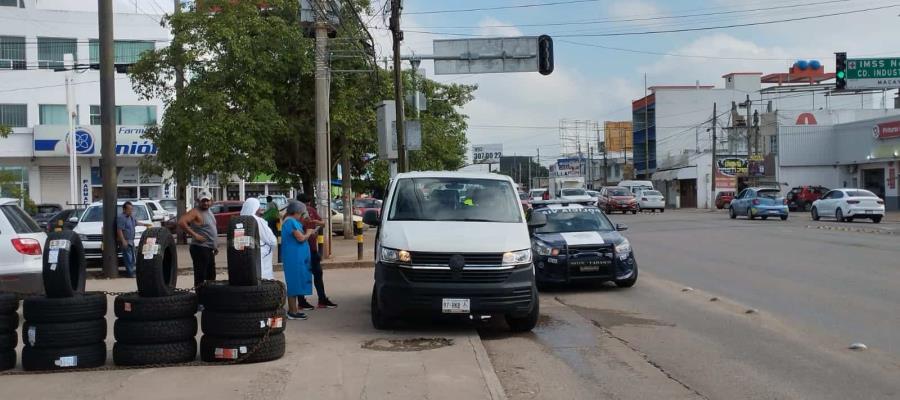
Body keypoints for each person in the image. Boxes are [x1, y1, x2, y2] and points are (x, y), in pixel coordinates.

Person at [298, 193, 337, 310]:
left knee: (318, 274)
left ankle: (322, 299)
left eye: (308, 203)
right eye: (305, 203)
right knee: (303, 275)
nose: (307, 205)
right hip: (301, 249)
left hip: (312, 248)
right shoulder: (295, 215)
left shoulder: (310, 211)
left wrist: (315, 222)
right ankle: (301, 301)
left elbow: (323, 223)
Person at [281, 200, 317, 320]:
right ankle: (292, 311)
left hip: (297, 257)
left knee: (296, 283)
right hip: (293, 258)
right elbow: (301, 238)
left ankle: (295, 310)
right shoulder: (290, 222)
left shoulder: (293, 221)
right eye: (302, 213)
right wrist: (308, 233)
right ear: (296, 212)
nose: (303, 215)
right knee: (293, 283)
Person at [179, 191, 219, 287]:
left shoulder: (209, 211)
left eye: (207, 201)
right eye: (203, 201)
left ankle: (209, 298)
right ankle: (200, 300)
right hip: (200, 248)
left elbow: (211, 230)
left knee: (211, 276)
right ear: (198, 201)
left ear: (211, 201)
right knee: (200, 276)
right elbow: (181, 222)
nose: (205, 203)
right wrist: (195, 235)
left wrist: (215, 246)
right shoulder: (195, 212)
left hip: (209, 248)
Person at [240, 198, 277, 280]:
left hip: (242, 255)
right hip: (260, 253)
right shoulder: (258, 221)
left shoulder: (239, 220)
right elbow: (271, 240)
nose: (260, 208)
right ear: (255, 208)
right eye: (258, 206)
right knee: (263, 276)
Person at [116, 201, 151, 278]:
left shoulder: (131, 217)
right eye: (129, 209)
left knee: (133, 256)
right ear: (124, 210)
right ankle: (130, 273)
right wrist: (123, 240)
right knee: (128, 257)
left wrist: (145, 224)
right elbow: (119, 230)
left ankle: (133, 271)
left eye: (132, 209)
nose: (131, 211)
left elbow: (136, 223)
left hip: (131, 240)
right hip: (125, 240)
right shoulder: (121, 218)